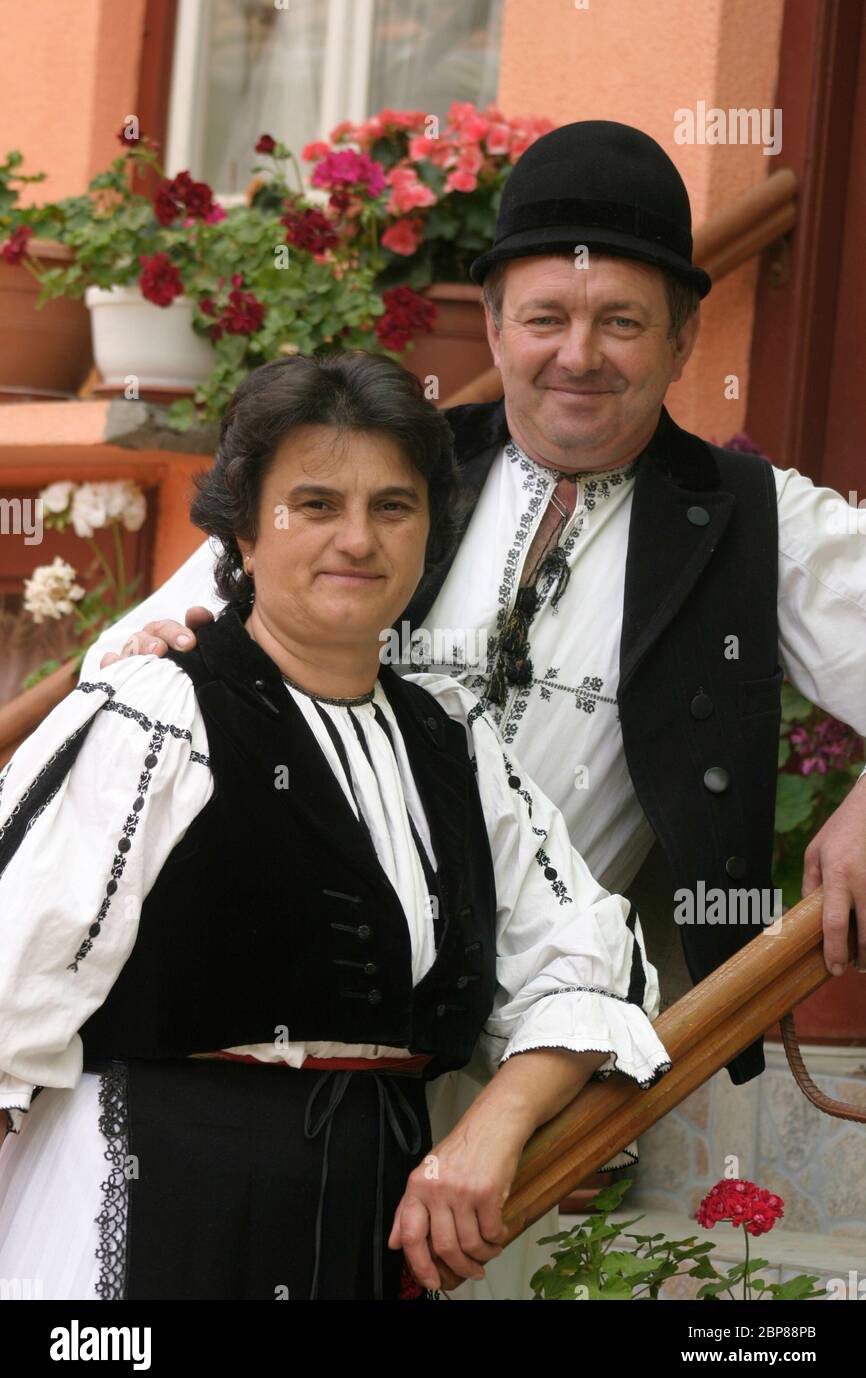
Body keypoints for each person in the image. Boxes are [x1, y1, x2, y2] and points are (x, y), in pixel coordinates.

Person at [101, 120, 866, 1079]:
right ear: (496, 328)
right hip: (295, 1015)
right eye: (546, 318)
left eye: (621, 322)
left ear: (683, 340)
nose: (578, 355)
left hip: (542, 1055)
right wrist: (165, 654)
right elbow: (120, 664)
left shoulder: (759, 521)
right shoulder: (382, 467)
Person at [0, 351, 672, 1301]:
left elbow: (586, 967)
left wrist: (489, 1130)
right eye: (315, 504)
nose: (358, 539)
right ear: (242, 525)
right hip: (150, 1213)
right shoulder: (154, 713)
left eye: (392, 507)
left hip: (368, 1226)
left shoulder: (454, 745)